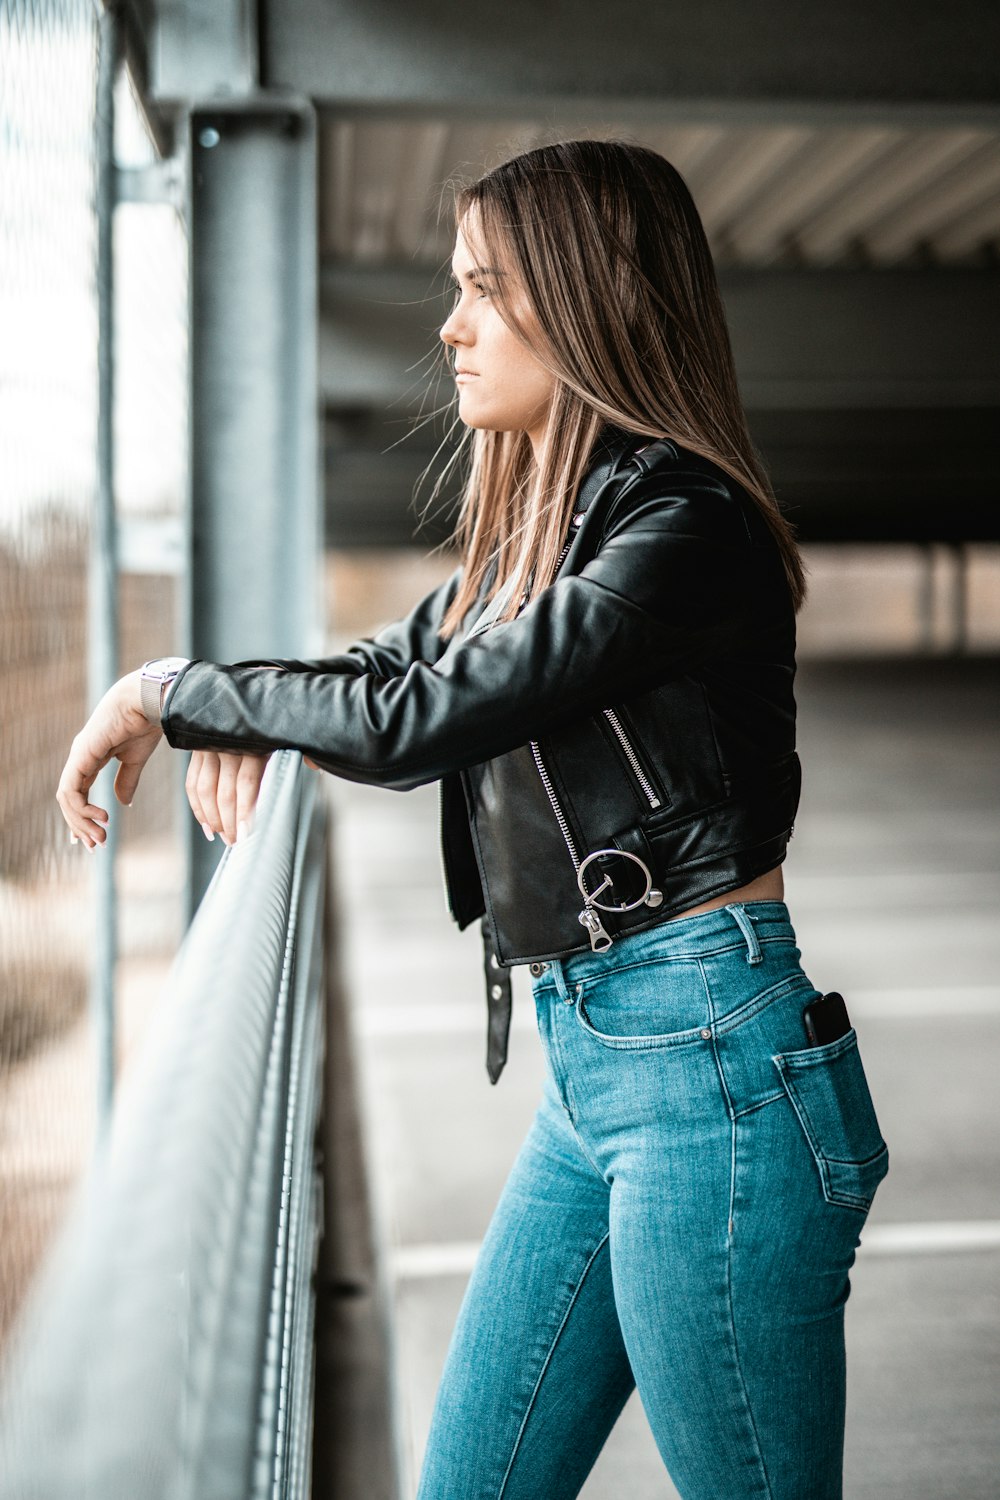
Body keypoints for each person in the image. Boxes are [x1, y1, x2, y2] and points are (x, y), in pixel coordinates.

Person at [57, 139, 890, 1499]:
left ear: (591, 295)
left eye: (486, 290)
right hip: (601, 1064)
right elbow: (388, 672)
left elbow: (419, 723)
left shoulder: (686, 527)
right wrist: (223, 704)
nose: (449, 327)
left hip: (710, 1075)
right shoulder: (534, 549)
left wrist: (175, 691)